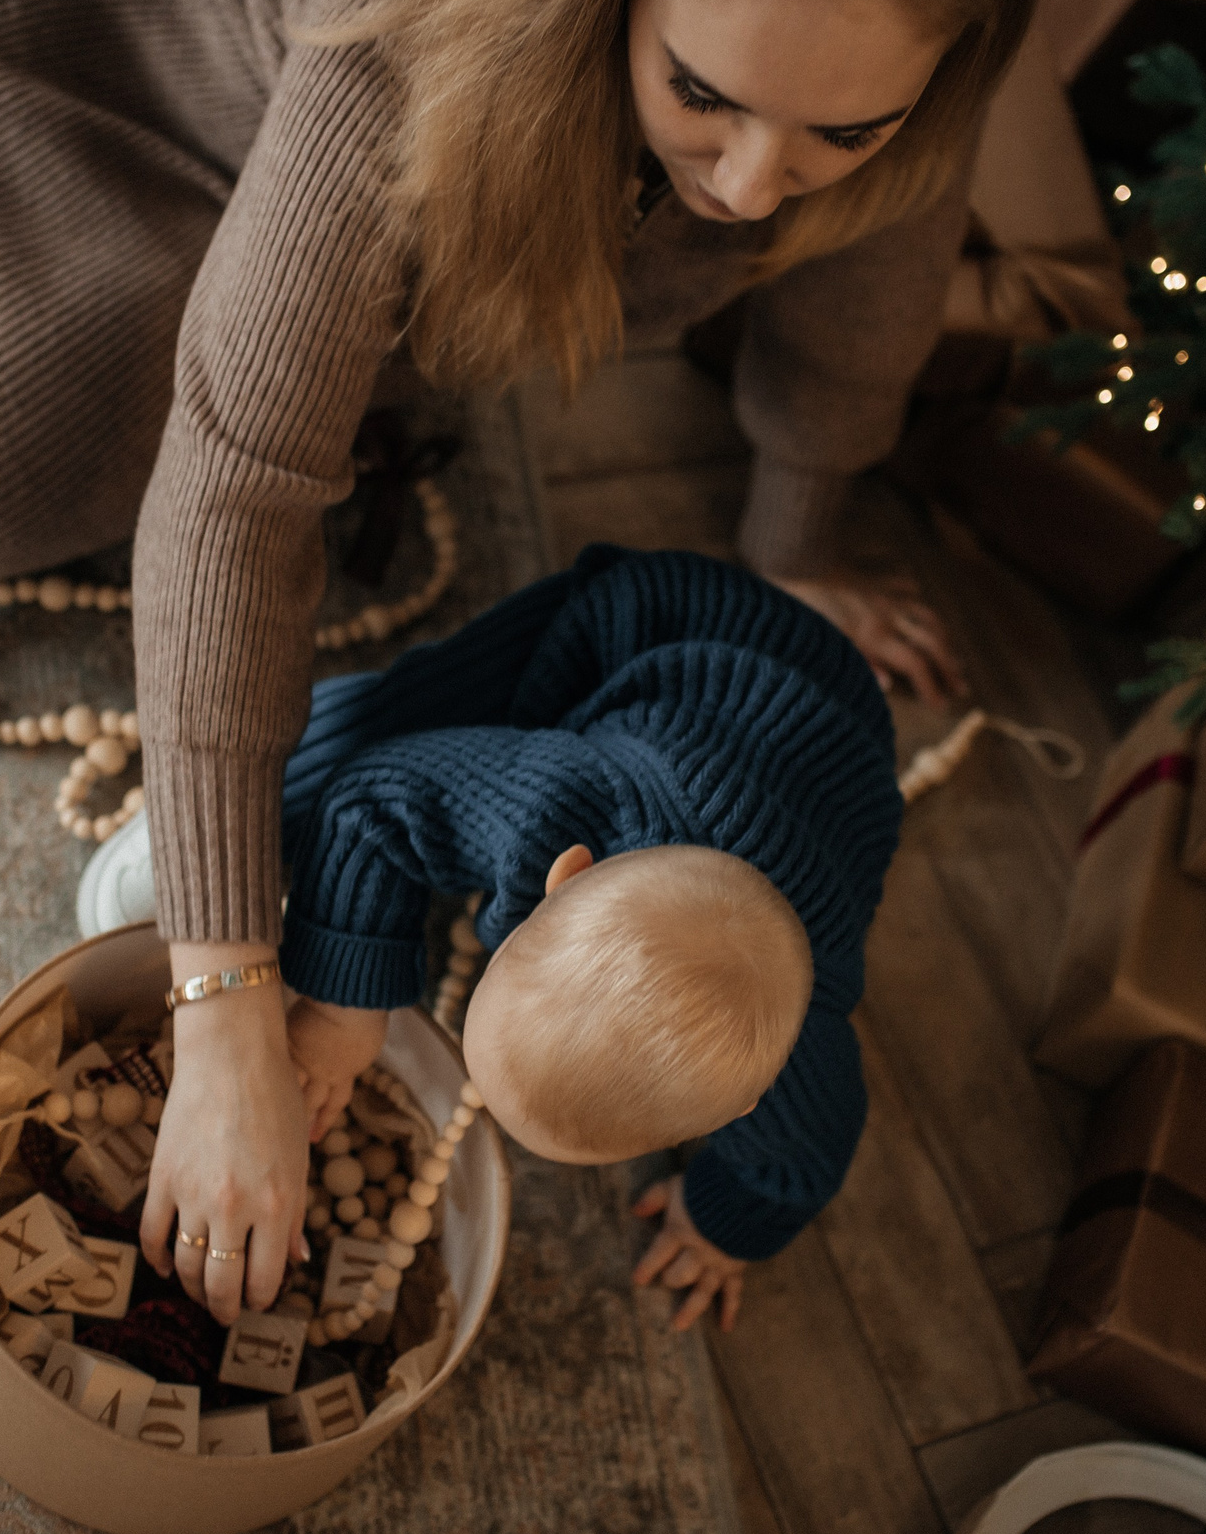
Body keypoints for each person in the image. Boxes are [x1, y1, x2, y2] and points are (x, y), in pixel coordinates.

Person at [0, 0, 1041, 1325]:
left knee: (98, 402)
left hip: (272, 153)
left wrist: (799, 532)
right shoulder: (436, 7)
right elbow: (240, 491)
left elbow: (868, 276)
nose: (753, 186)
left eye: (841, 130)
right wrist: (232, 999)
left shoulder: (908, 35)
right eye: (701, 94)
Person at [274, 544, 900, 1330]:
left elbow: (805, 1162)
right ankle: (251, 794)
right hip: (669, 629)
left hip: (841, 769)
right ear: (561, 872)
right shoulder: (556, 803)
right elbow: (372, 801)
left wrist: (720, 1225)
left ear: (743, 1106)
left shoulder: (796, 1070)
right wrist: (339, 1007)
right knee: (346, 751)